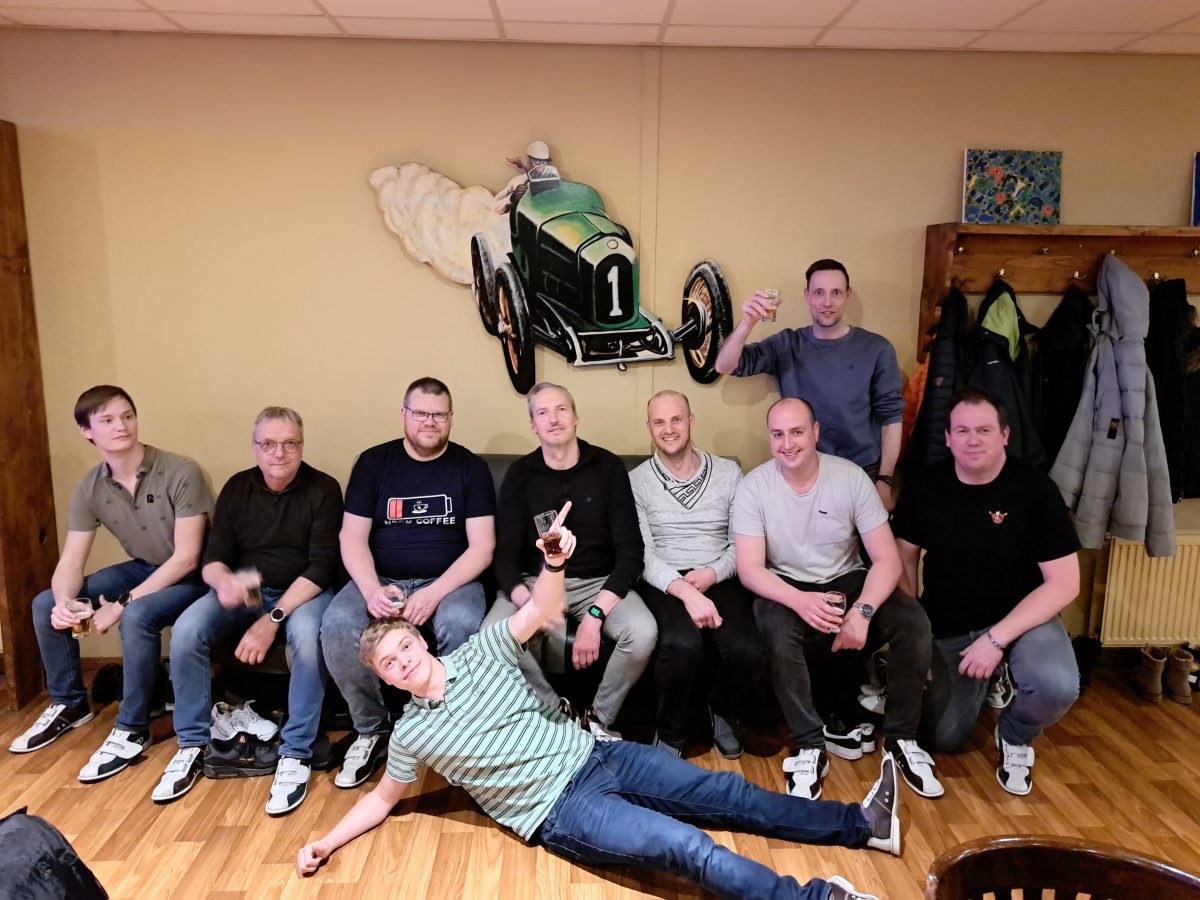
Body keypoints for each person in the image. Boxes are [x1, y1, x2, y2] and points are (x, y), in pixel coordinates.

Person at [296, 508, 900, 900]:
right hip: (561, 810)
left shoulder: (482, 650)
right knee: (688, 847)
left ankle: (861, 825)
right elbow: (381, 799)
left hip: (598, 755)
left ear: (420, 640)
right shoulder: (412, 735)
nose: (402, 662)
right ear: (385, 677)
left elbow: (542, 610)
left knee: (728, 795)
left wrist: (554, 562)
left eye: (404, 647)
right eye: (389, 664)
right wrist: (327, 841)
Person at [733, 398, 940, 801]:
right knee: (774, 624)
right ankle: (810, 745)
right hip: (787, 584)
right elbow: (750, 569)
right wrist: (800, 601)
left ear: (815, 432)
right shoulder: (753, 487)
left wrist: (862, 611)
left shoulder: (849, 478)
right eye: (778, 434)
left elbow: (887, 560)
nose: (788, 444)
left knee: (913, 621)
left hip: (849, 581)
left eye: (797, 432)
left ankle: (901, 739)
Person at [10, 385, 212, 784]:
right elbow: (71, 561)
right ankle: (70, 703)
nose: (121, 426)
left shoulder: (180, 471)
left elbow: (187, 558)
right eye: (107, 420)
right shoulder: (90, 487)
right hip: (144, 567)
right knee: (45, 603)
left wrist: (121, 603)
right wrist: (65, 603)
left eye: (127, 416)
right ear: (87, 431)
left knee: (136, 615)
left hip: (196, 575)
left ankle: (132, 726)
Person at [152, 406, 343, 814]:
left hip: (305, 590)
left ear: (302, 446)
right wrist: (224, 582)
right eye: (268, 444)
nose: (279, 453)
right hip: (251, 587)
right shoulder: (238, 488)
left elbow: (323, 567)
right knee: (187, 630)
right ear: (254, 447)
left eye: (289, 443)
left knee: (308, 638)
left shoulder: (324, 489)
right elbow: (214, 558)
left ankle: (296, 751)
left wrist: (272, 620)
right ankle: (192, 743)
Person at [892, 387, 1082, 796]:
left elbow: (1065, 583)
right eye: (962, 431)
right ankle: (988, 679)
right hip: (950, 622)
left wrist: (995, 640)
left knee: (1057, 686)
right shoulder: (925, 485)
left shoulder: (1036, 490)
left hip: (1023, 621)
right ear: (947, 438)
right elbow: (902, 559)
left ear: (1005, 436)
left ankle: (1015, 735)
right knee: (941, 736)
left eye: (984, 430)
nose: (973, 440)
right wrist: (917, 636)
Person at [321, 377, 495, 789]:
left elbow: (482, 548)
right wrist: (370, 590)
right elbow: (352, 538)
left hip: (449, 580)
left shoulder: (471, 468)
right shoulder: (372, 463)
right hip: (381, 578)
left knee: (461, 623)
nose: (430, 422)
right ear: (403, 415)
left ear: (450, 418)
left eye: (439, 414)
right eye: (420, 413)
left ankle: (453, 723)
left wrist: (434, 592)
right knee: (338, 625)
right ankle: (372, 730)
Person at [482, 382, 654, 741]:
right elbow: (504, 557)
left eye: (561, 409)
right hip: (536, 580)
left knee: (642, 632)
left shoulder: (607, 467)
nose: (553, 419)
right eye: (542, 412)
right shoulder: (520, 475)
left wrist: (595, 616)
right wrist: (529, 605)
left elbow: (630, 551)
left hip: (598, 581)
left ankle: (598, 719)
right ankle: (556, 714)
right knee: (493, 636)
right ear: (533, 425)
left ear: (576, 417)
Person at [628, 390, 765, 758]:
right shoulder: (636, 481)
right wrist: (684, 590)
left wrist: (712, 574)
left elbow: (741, 543)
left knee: (748, 650)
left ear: (691, 421)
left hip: (718, 573)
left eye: (676, 419)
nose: (668, 429)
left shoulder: (729, 473)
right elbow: (642, 553)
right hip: (665, 578)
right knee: (681, 644)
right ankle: (670, 732)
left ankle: (720, 708)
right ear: (649, 428)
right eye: (659, 422)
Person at [714, 259, 904, 510]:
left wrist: (885, 481)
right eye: (819, 293)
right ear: (807, 296)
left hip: (863, 474)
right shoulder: (786, 344)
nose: (827, 302)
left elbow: (891, 419)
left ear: (847, 296)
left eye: (836, 293)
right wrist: (747, 323)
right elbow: (725, 366)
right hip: (802, 474)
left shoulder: (877, 348)